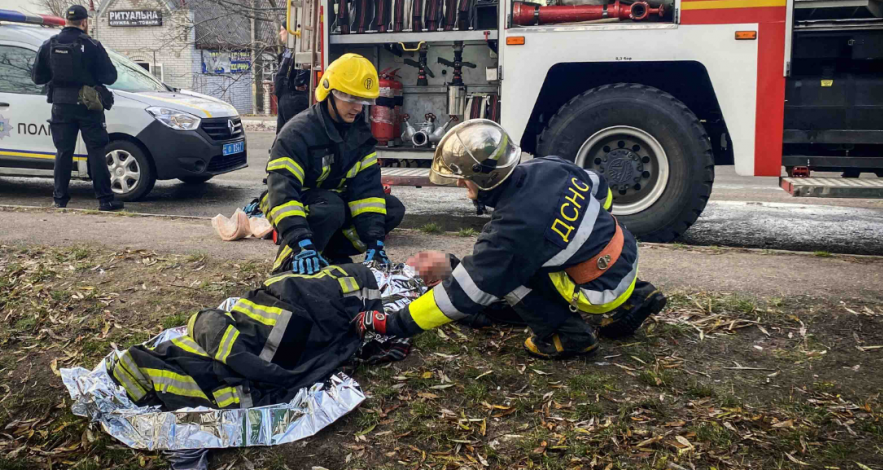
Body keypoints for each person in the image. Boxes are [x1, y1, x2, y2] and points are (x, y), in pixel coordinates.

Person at [354, 119, 667, 360]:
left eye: (464, 178)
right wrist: (582, 239)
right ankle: (637, 297)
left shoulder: (513, 230)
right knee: (550, 251)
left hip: (601, 288)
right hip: (624, 252)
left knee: (507, 278)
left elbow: (462, 294)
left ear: (484, 179)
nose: (463, 185)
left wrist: (395, 324)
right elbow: (602, 191)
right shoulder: (548, 166)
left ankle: (568, 336)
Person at [262, 53, 405, 274]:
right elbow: (282, 193)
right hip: (287, 202)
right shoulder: (297, 134)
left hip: (330, 203)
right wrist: (300, 241)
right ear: (328, 93)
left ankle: (331, 254)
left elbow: (367, 192)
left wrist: (375, 242)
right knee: (330, 207)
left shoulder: (360, 135)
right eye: (350, 98)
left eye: (362, 100)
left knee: (392, 208)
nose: (357, 108)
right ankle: (292, 261)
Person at [32, 4, 123, 211]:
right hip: (88, 105)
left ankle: (59, 200)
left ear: (66, 21)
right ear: (84, 22)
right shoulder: (91, 45)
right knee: (96, 151)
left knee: (63, 152)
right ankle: (105, 200)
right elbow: (110, 76)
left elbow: (38, 77)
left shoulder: (49, 44)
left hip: (61, 105)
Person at [274, 22, 310, 133]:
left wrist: (300, 82)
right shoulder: (288, 51)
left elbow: (305, 67)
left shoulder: (299, 49)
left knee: (292, 132)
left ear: (290, 32)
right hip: (284, 97)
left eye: (282, 29)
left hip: (293, 97)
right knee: (283, 132)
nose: (280, 33)